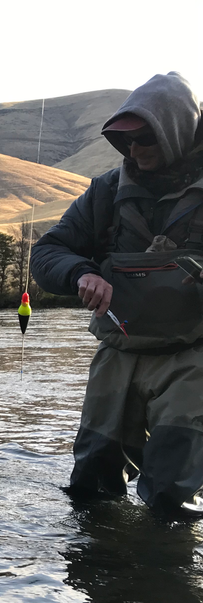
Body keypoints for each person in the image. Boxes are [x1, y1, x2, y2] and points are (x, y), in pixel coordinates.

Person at [31, 71, 203, 513]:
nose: (135, 149)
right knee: (90, 484)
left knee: (171, 494)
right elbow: (49, 252)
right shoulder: (106, 191)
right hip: (118, 351)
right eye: (125, 141)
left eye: (145, 138)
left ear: (177, 131)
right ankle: (98, 574)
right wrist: (80, 274)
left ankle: (161, 573)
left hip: (193, 356)